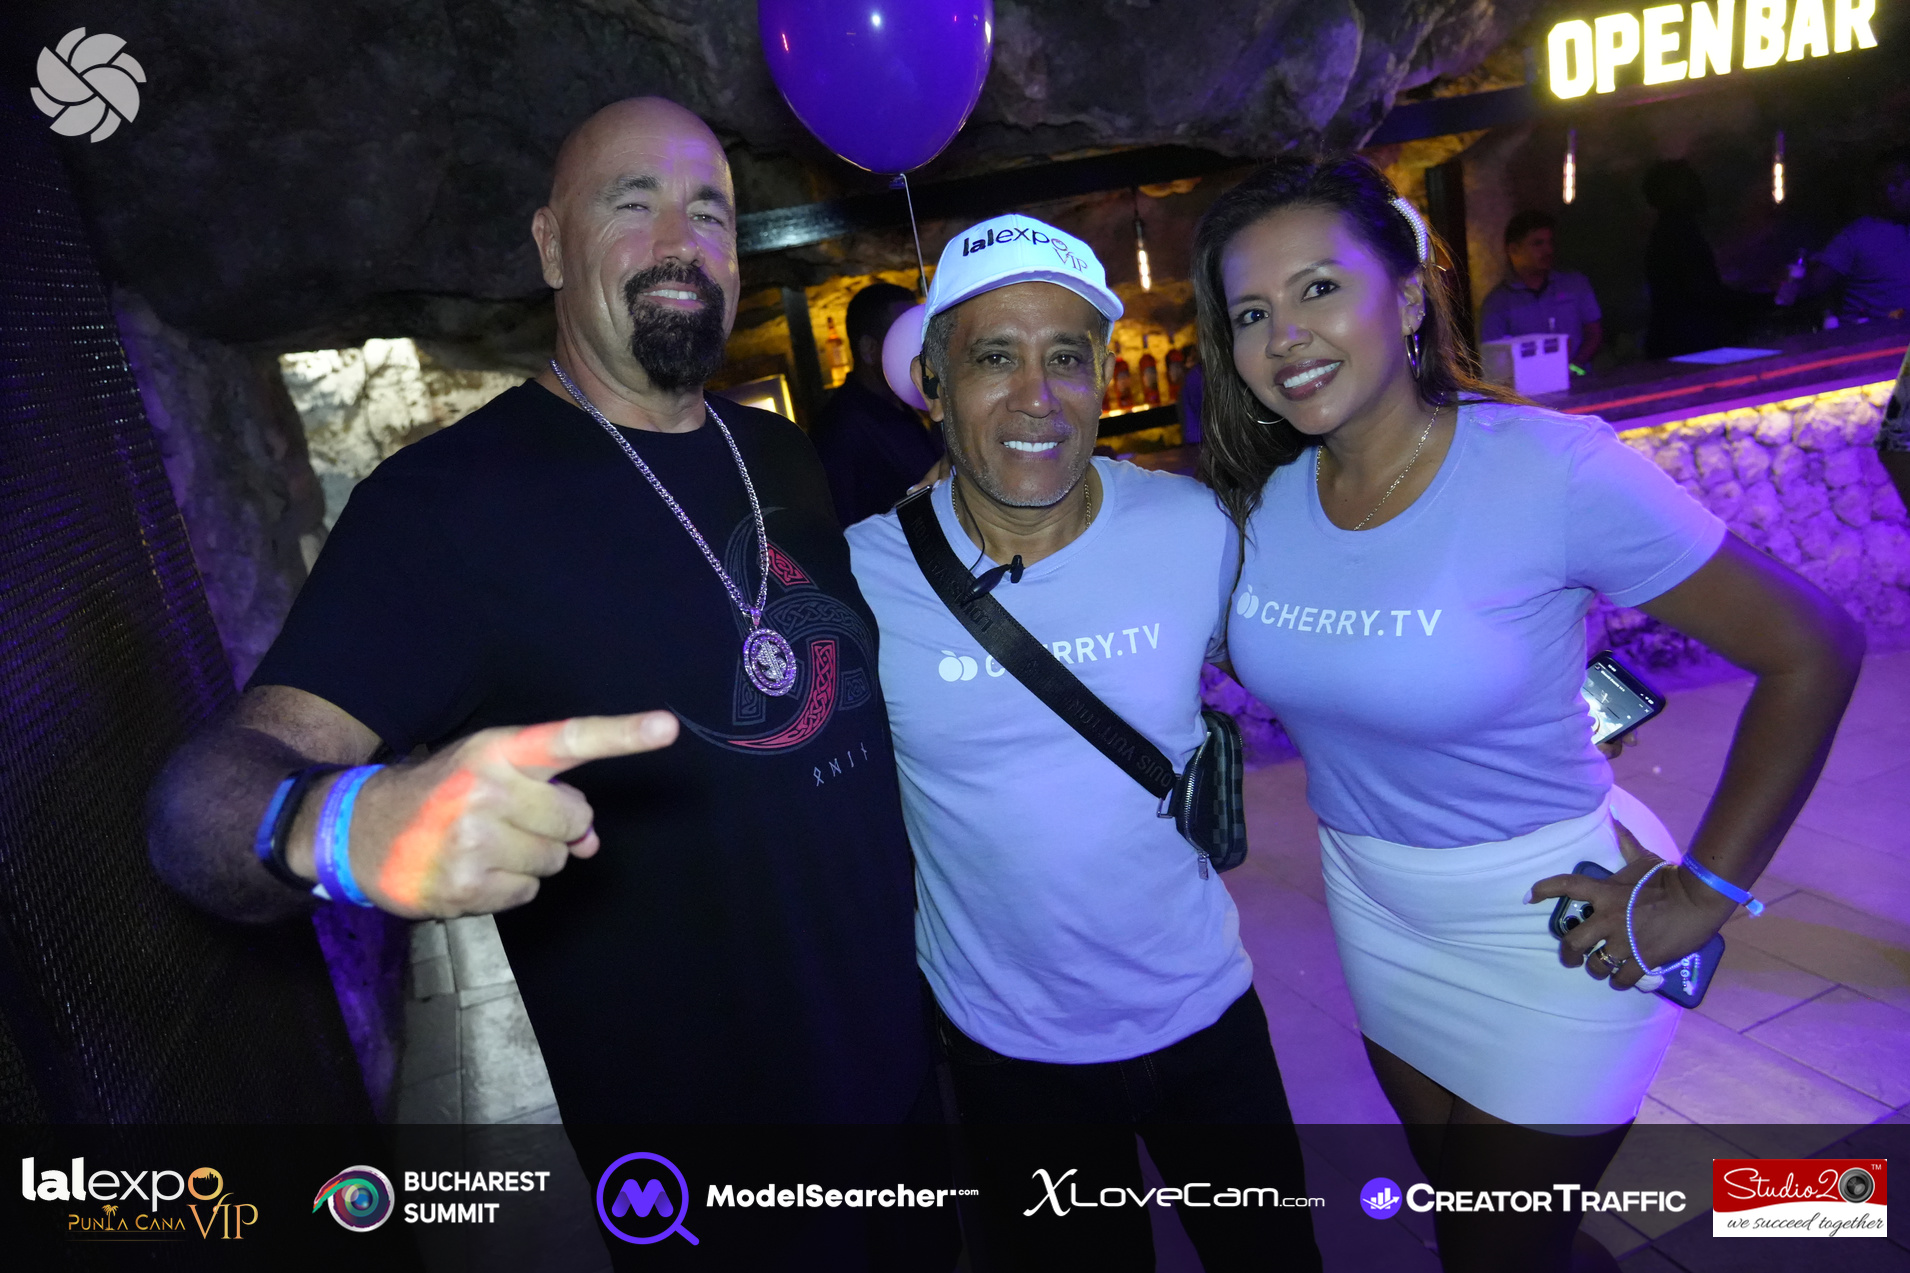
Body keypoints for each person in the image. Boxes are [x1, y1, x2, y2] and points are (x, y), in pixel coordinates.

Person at [147, 97, 937, 1146]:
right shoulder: (443, 507)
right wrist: (343, 825)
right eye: (632, 203)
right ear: (551, 247)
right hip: (706, 1148)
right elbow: (195, 802)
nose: (680, 241)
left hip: (909, 1073)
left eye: (709, 212)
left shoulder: (783, 455)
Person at [1192, 155, 1863, 1272]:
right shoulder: (1260, 503)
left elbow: (1812, 646)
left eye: (1319, 288)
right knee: (1488, 1232)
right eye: (1250, 311)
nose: (1284, 335)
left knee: (1493, 1247)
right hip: (1377, 912)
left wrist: (1703, 893)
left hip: (1555, 923)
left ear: (1409, 296)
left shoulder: (1547, 470)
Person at [846, 215, 1320, 1273]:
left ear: (1103, 373)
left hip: (1206, 1017)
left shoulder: (1193, 528)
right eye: (993, 359)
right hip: (1012, 1063)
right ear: (932, 384)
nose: (1037, 396)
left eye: (1065, 357)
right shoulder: (860, 578)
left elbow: (1328, 672)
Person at [810, 281, 946, 526]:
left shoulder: (904, 406)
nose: (922, 349)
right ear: (869, 349)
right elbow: (842, 526)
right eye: (904, 337)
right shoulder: (840, 430)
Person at [1641, 159, 1756, 358]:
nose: (1701, 190)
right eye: (1693, 183)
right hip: (1690, 344)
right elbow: (1702, 292)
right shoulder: (1678, 234)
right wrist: (1761, 301)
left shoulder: (1670, 231)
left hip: (1678, 342)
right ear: (1677, 192)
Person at [1787, 145, 1910, 323]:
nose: (1888, 191)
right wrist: (1792, 283)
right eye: (1880, 187)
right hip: (1870, 337)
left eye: (1897, 183)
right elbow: (1814, 285)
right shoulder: (1855, 235)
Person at [1477, 209, 1604, 366]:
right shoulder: (1497, 304)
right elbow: (1494, 358)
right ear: (1513, 250)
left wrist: (1574, 367)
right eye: (1538, 244)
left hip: (1579, 378)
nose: (1548, 250)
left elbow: (1594, 333)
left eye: (1550, 242)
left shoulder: (1575, 285)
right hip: (1527, 381)